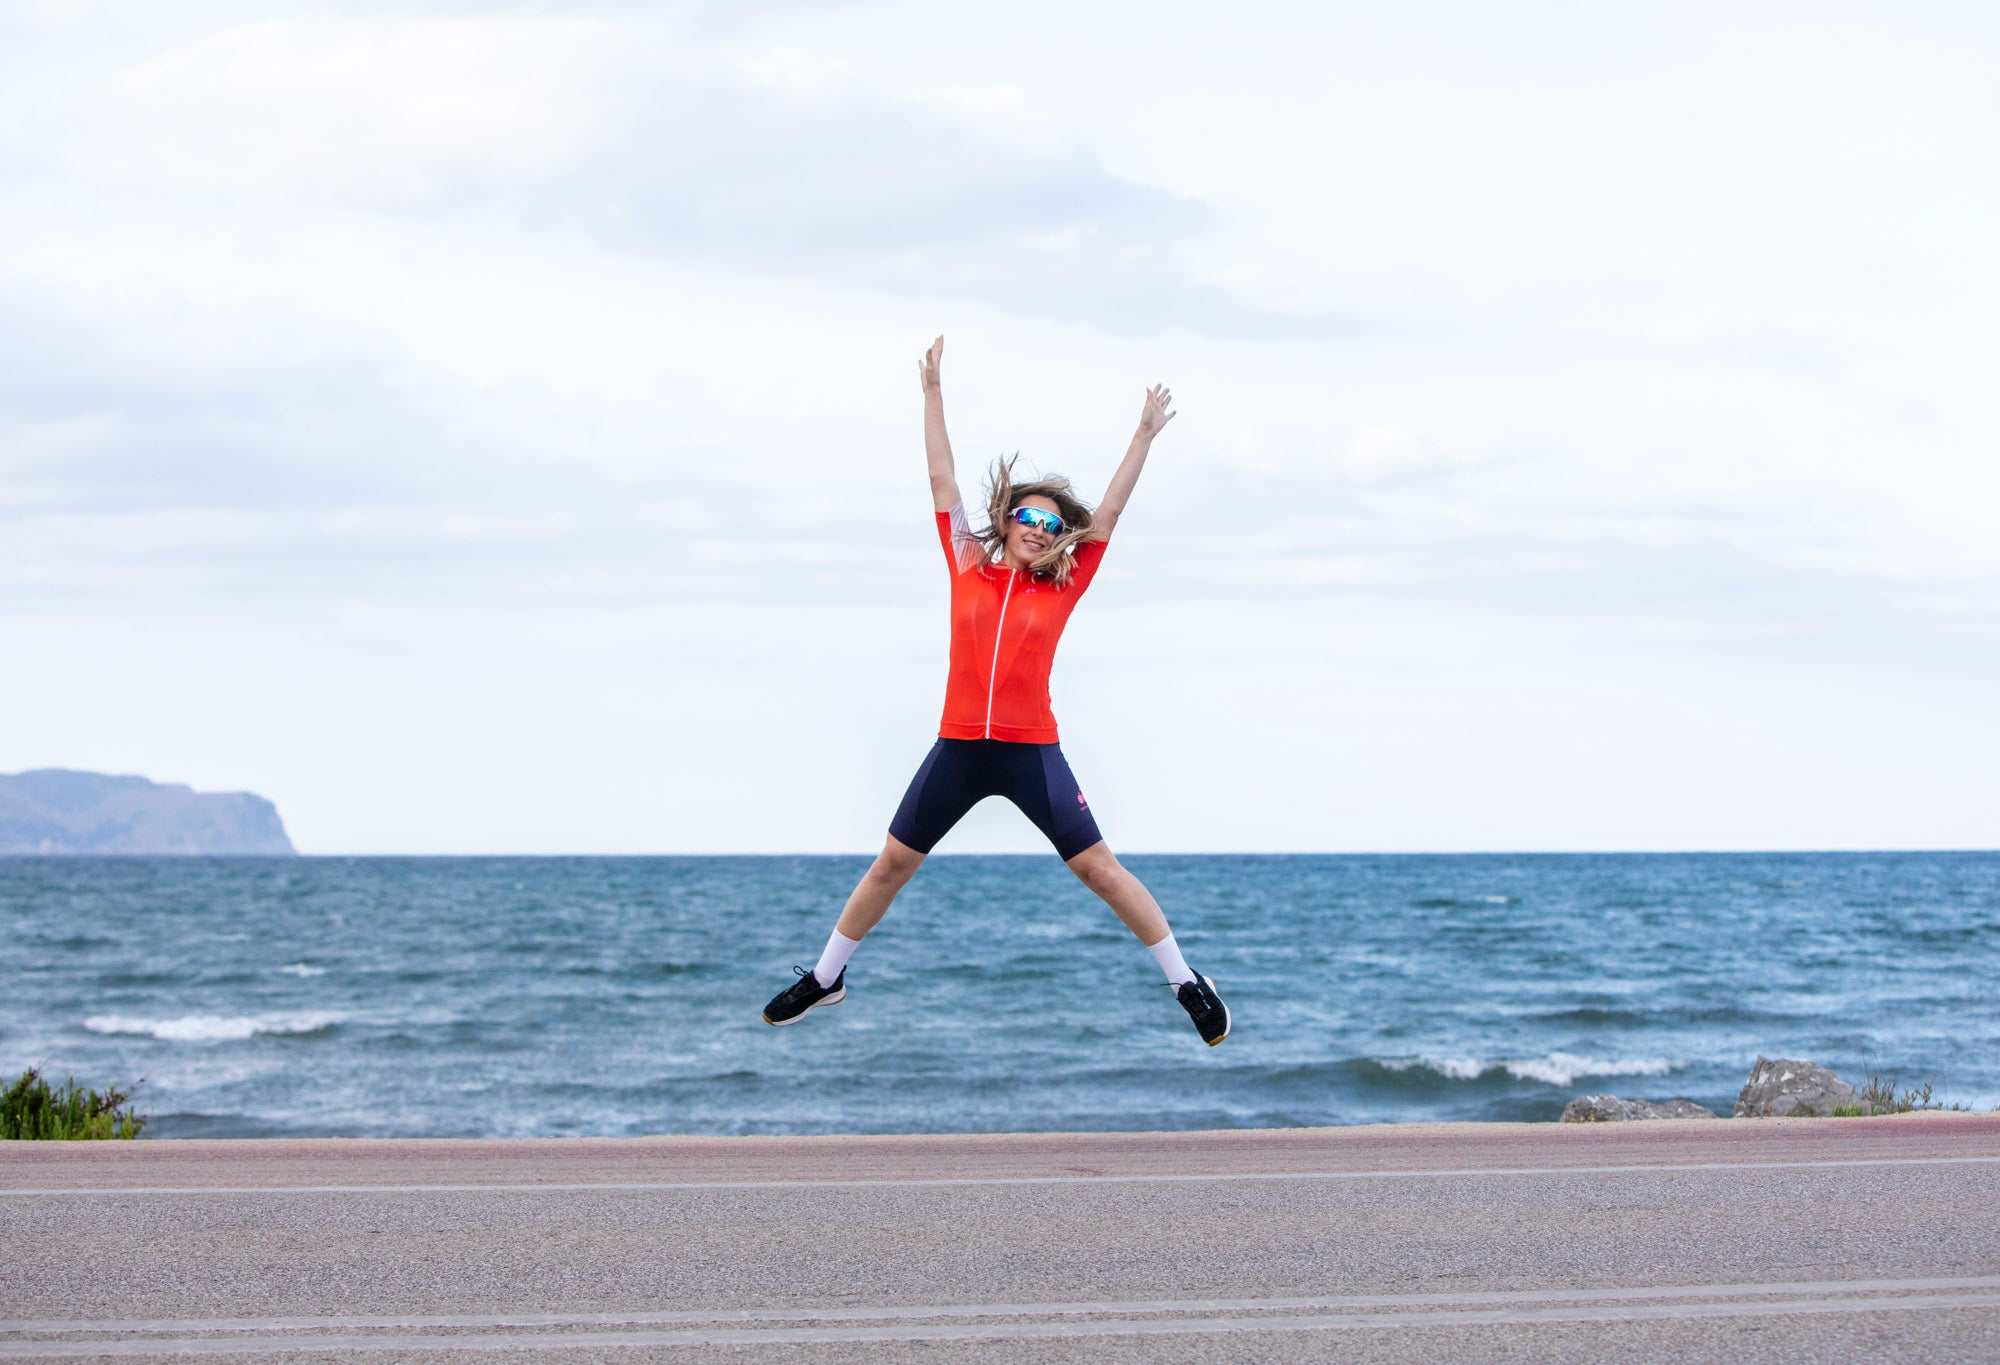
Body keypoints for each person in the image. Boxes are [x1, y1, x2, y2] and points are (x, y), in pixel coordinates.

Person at [761, 335, 1229, 1046]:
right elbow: (941, 480)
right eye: (1028, 518)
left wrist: (1142, 435)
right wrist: (932, 394)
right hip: (957, 748)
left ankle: (1187, 982)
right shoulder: (967, 564)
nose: (1039, 530)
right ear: (1008, 520)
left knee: (1100, 871)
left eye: (1050, 524)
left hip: (1029, 753)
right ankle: (827, 977)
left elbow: (1108, 514)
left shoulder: (1063, 585)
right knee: (892, 864)